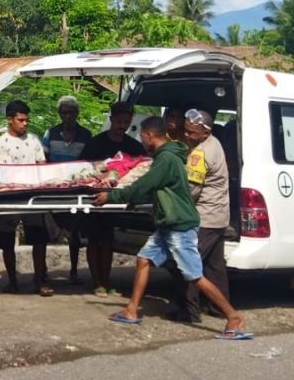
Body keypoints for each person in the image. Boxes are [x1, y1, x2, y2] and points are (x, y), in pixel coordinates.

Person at [94, 116, 250, 339]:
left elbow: (144, 185)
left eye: (142, 136)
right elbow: (153, 188)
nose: (141, 140)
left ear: (149, 135)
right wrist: (134, 198)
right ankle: (131, 310)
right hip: (167, 223)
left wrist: (111, 196)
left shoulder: (166, 159)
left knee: (194, 275)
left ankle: (233, 316)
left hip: (179, 225)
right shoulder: (169, 155)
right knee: (143, 260)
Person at [165, 109, 232, 322]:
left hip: (204, 216)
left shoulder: (200, 154)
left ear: (205, 131)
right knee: (214, 267)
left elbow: (191, 191)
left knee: (186, 263)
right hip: (219, 215)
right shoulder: (215, 143)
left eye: (192, 132)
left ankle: (187, 310)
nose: (187, 135)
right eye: (185, 131)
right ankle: (219, 307)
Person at [79, 101, 146, 297]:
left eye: (126, 121)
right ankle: (96, 282)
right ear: (111, 119)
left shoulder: (133, 146)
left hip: (116, 200)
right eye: (118, 121)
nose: (122, 125)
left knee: (108, 239)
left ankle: (106, 282)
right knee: (94, 239)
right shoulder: (95, 142)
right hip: (94, 198)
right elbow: (83, 169)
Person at [0, 100, 54, 296]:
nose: (25, 124)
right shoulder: (2, 142)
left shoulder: (34, 139)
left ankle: (38, 280)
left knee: (39, 239)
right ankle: (12, 281)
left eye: (27, 120)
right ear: (10, 120)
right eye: (21, 120)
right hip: (10, 196)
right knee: (7, 241)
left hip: (33, 196)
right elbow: (8, 171)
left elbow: (42, 164)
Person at [43, 95, 93, 285]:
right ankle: (44, 270)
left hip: (76, 188)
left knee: (74, 233)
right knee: (49, 230)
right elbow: (44, 160)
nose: (68, 116)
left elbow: (88, 163)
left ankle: (73, 271)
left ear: (77, 114)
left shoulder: (86, 135)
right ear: (59, 114)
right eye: (64, 112)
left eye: (71, 112)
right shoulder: (50, 133)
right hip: (54, 188)